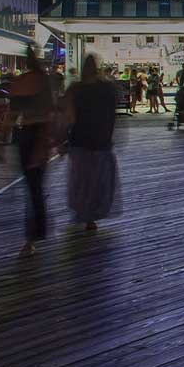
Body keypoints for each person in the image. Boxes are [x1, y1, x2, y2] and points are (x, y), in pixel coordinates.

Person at [8, 49, 58, 257]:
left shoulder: (19, 82)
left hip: (25, 133)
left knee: (31, 186)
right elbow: (50, 113)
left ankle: (33, 234)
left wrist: (1, 140)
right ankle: (36, 230)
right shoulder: (44, 81)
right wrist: (51, 140)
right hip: (39, 134)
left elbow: (12, 114)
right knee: (36, 185)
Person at [65, 54, 119, 233]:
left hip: (80, 139)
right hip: (101, 140)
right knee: (98, 181)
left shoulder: (75, 89)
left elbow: (69, 116)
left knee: (81, 180)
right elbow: (112, 115)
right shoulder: (107, 88)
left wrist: (62, 138)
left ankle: (83, 212)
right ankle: (92, 216)